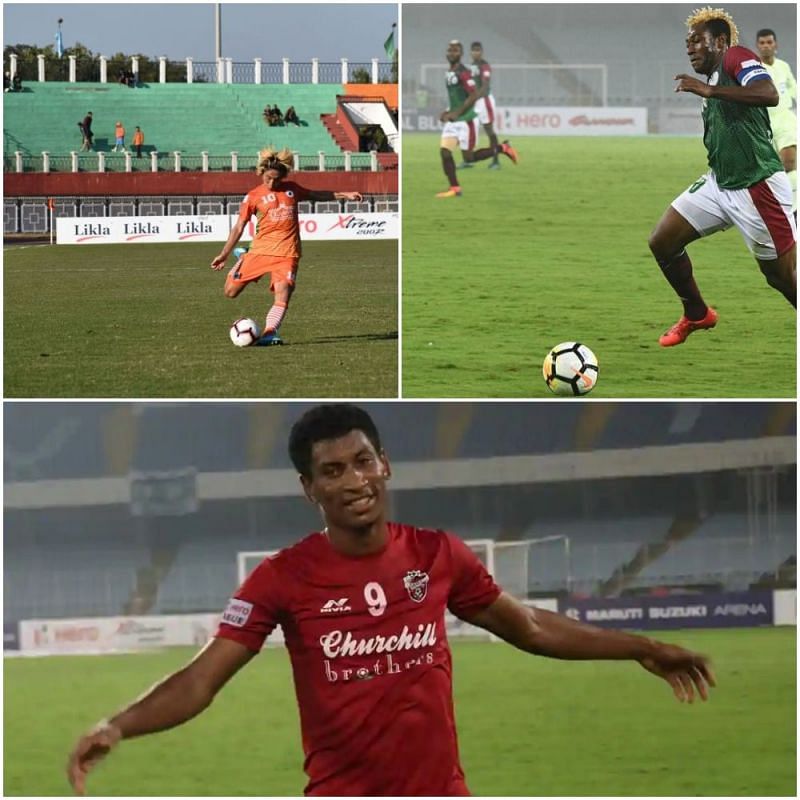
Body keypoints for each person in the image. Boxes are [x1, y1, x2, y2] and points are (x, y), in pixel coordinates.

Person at [66, 403, 716, 797]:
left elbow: (531, 629)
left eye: (363, 461)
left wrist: (642, 648)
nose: (353, 480)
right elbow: (202, 679)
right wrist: (117, 724)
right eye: (332, 470)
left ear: (386, 465)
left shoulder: (438, 555)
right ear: (308, 488)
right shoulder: (281, 578)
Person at [648, 7, 796, 347]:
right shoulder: (712, 79)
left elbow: (768, 94)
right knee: (663, 241)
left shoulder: (735, 57)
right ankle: (697, 313)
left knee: (782, 278)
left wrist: (710, 92)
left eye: (698, 40)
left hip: (758, 187)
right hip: (720, 183)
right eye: (688, 42)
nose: (690, 47)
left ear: (721, 41)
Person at [208, 147, 362, 346]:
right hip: (260, 251)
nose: (272, 183)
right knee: (230, 292)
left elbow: (317, 195)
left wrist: (345, 195)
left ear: (283, 177)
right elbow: (239, 226)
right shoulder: (253, 196)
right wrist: (224, 254)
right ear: (261, 173)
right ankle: (242, 257)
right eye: (268, 178)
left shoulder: (292, 189)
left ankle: (270, 332)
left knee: (283, 293)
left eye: (277, 179)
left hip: (288, 253)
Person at [437, 40, 517, 198]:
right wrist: (447, 112)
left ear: (460, 54)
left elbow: (473, 94)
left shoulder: (464, 72)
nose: (451, 53)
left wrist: (457, 113)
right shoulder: (450, 72)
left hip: (466, 120)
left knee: (469, 158)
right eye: (449, 50)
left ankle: (503, 148)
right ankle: (455, 188)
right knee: (445, 152)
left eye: (455, 51)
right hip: (454, 120)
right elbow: (456, 97)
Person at [755, 28, 797, 212]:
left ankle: (794, 210)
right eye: (762, 43)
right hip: (765, 123)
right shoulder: (754, 69)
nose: (766, 46)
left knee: (789, 162)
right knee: (773, 169)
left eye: (769, 42)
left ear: (775, 45)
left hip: (786, 119)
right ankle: (778, 204)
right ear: (758, 46)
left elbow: (794, 88)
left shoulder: (784, 66)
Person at [462, 41, 501, 170]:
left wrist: (473, 99)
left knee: (489, 130)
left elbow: (484, 86)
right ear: (470, 52)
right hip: (475, 100)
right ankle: (468, 160)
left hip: (485, 101)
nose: (476, 52)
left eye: (478, 50)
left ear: (481, 52)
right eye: (473, 50)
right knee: (467, 129)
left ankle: (496, 160)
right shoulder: (472, 66)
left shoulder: (485, 66)